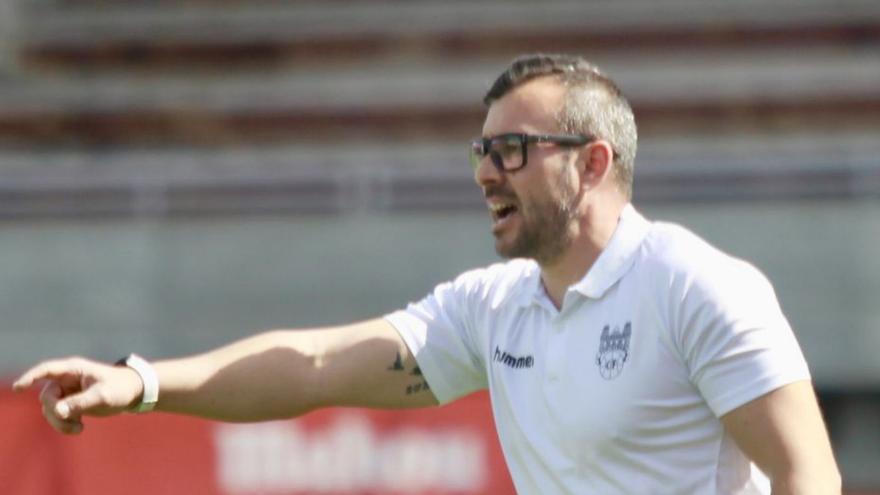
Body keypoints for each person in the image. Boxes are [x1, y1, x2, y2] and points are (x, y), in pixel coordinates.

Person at [13, 54, 841, 494]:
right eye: (481, 151)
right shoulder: (496, 307)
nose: (486, 172)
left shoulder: (698, 286)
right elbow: (316, 364)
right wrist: (145, 380)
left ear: (592, 163)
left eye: (511, 149)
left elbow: (811, 474)